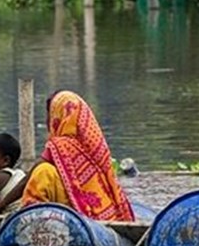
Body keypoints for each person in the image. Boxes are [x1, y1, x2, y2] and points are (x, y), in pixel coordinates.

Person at [20, 90, 135, 222]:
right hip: (106, 212)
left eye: (50, 115)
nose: (48, 120)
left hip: (80, 215)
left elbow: (31, 174)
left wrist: (2, 203)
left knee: (43, 171)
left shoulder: (61, 145)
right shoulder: (91, 145)